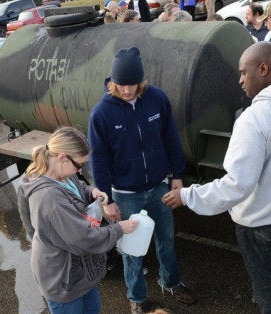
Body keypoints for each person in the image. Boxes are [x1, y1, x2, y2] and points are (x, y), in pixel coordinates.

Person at [162, 42, 271, 313]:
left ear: (264, 69)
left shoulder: (254, 118)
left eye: (244, 72)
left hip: (261, 223)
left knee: (269, 287)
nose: (240, 80)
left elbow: (237, 185)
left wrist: (187, 195)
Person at [88, 47, 195, 312]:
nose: (126, 91)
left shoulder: (157, 99)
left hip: (159, 186)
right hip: (125, 193)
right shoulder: (101, 113)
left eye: (132, 84)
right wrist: (107, 200)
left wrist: (177, 176)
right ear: (112, 82)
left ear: (142, 80)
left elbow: (171, 138)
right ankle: (137, 298)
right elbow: (98, 161)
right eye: (121, 85)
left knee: (166, 239)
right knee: (132, 251)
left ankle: (171, 281)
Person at [19, 127, 139, 313]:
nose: (80, 169)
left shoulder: (60, 173)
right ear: (62, 157)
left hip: (80, 274)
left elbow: (78, 185)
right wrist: (119, 229)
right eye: (79, 164)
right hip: (64, 279)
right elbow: (84, 239)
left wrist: (92, 192)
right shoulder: (50, 199)